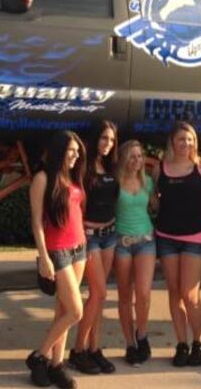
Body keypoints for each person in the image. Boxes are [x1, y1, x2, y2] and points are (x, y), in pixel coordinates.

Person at [26, 131, 88, 389]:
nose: (75, 155)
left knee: (62, 312)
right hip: (58, 252)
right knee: (75, 311)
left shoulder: (71, 177)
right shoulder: (42, 178)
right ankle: (39, 356)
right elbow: (37, 222)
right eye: (70, 151)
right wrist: (44, 258)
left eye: (77, 151)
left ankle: (56, 365)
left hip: (79, 249)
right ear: (58, 151)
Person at [151, 122, 201, 367]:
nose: (186, 144)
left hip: (195, 238)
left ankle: (199, 342)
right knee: (174, 293)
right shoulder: (160, 168)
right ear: (172, 142)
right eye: (181, 139)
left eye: (190, 139)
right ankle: (182, 344)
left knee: (190, 295)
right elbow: (155, 202)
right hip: (166, 238)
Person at [69, 121, 120, 375]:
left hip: (109, 235)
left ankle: (94, 348)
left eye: (111, 140)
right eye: (103, 139)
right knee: (99, 294)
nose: (107, 144)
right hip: (89, 237)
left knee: (97, 298)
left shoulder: (111, 166)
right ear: (93, 139)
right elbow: (75, 205)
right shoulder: (82, 167)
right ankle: (78, 351)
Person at [113, 140, 157, 366]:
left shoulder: (147, 181)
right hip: (121, 243)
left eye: (140, 156)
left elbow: (156, 207)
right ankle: (130, 343)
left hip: (146, 241)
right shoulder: (115, 183)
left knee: (143, 292)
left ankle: (142, 335)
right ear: (123, 159)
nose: (137, 161)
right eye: (132, 156)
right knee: (124, 296)